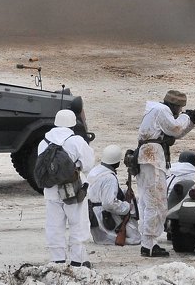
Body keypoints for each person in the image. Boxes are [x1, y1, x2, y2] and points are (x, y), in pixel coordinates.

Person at [136, 90, 195, 257]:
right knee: (156, 203)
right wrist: (188, 117)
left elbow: (176, 132)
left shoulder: (156, 110)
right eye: (180, 108)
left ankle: (148, 243)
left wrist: (191, 121)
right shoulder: (162, 111)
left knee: (150, 202)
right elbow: (176, 128)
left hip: (148, 157)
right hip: (152, 158)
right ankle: (149, 246)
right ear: (175, 106)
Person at [39, 109, 95, 267]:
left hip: (51, 190)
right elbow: (88, 164)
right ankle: (78, 260)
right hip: (73, 188)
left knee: (54, 225)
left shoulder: (44, 142)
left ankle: (57, 260)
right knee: (78, 223)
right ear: (72, 124)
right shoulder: (76, 141)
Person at [87, 144, 139, 246]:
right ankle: (117, 239)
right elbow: (108, 204)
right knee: (135, 238)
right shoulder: (109, 178)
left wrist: (123, 194)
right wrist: (127, 206)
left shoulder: (96, 170)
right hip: (104, 217)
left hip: (94, 214)